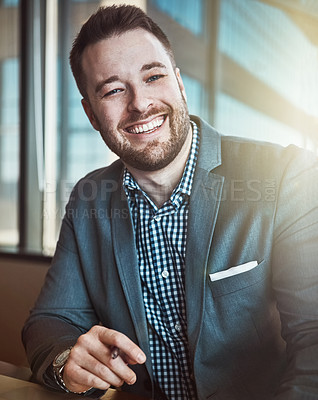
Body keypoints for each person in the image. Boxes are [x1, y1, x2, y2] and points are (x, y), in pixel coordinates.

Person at [22, 4, 318, 400]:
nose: (140, 104)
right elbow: (50, 320)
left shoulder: (285, 176)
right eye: (113, 90)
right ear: (91, 114)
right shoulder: (88, 198)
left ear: (178, 82)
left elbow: (313, 338)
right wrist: (65, 363)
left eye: (153, 76)